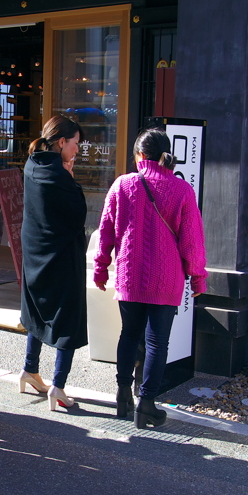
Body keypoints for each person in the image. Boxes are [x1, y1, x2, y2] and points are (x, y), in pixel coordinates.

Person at [94, 128, 207, 428]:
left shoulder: (122, 185)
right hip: (166, 279)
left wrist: (101, 266)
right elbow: (192, 240)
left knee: (129, 335)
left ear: (140, 156)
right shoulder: (182, 190)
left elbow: (106, 230)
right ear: (164, 155)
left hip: (130, 275)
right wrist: (198, 277)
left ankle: (121, 395)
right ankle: (146, 403)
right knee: (158, 343)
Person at [19, 114, 87, 411]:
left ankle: (30, 370)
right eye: (75, 143)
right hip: (60, 255)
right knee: (67, 316)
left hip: (35, 252)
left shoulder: (33, 163)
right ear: (61, 142)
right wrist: (72, 180)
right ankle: (58, 387)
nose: (77, 150)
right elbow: (77, 215)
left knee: (37, 309)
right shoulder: (60, 175)